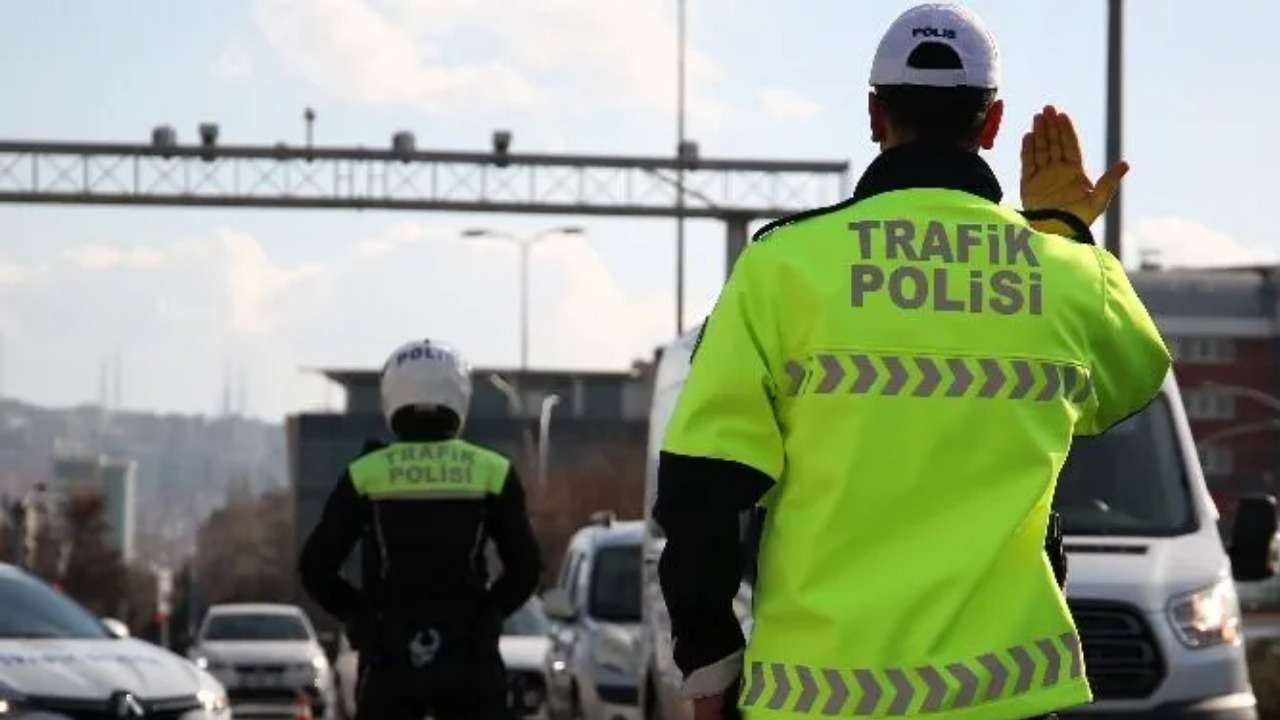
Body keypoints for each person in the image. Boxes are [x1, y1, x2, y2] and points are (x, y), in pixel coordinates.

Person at [653, 4, 1168, 720]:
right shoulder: (1069, 275)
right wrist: (1062, 232)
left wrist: (709, 669)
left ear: (875, 115)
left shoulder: (781, 266)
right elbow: (1133, 380)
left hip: (813, 698)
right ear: (991, 124)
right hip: (1005, 698)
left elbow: (701, 491)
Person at [299, 338, 542, 720]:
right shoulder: (492, 471)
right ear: (460, 396)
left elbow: (315, 568)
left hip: (390, 663)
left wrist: (361, 619)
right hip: (470, 662)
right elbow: (527, 567)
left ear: (391, 396)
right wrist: (489, 615)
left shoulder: (366, 473)